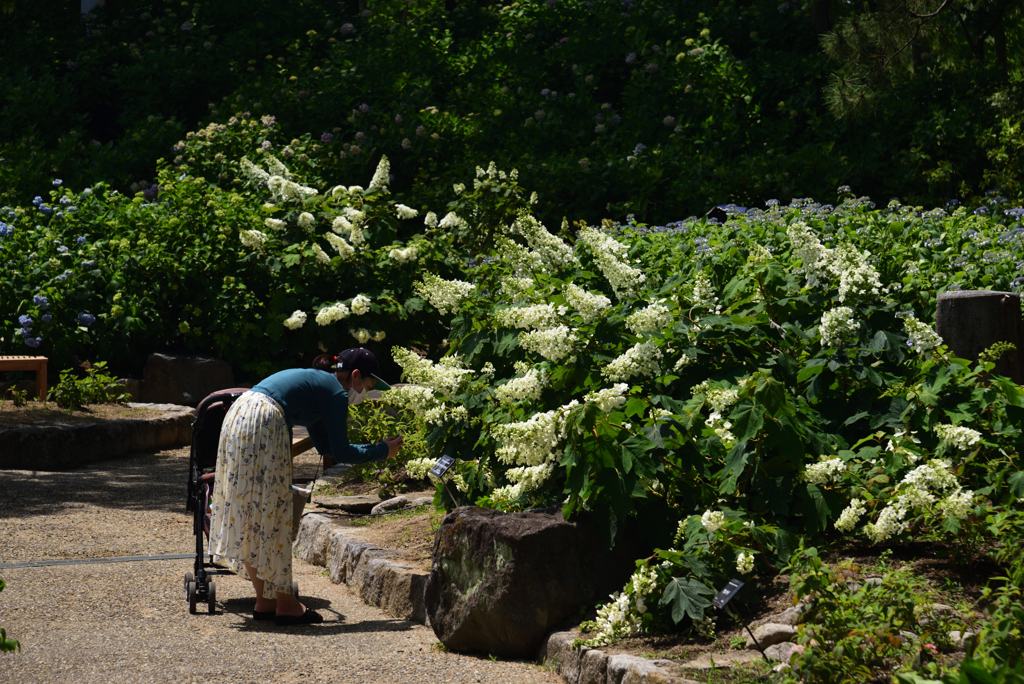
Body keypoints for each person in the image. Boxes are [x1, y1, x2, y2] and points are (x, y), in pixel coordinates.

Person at [208, 347, 403, 626]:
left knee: (251, 512)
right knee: (273, 514)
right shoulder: (335, 393)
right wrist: (382, 451)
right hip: (264, 420)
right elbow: (342, 452)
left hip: (240, 414)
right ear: (356, 376)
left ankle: (266, 600)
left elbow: (324, 446)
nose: (365, 395)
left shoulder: (318, 384)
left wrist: (377, 449)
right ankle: (287, 605)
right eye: (368, 387)